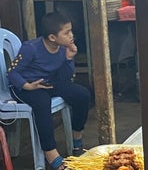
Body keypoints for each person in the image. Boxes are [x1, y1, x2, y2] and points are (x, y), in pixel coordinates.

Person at [7, 12, 91, 170]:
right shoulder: (30, 48)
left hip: (50, 84)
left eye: (71, 31)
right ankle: (50, 153)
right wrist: (27, 86)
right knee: (42, 102)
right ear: (52, 37)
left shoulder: (63, 48)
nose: (71, 35)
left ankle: (77, 140)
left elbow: (65, 78)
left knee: (82, 95)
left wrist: (68, 58)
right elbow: (12, 72)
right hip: (25, 87)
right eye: (66, 32)